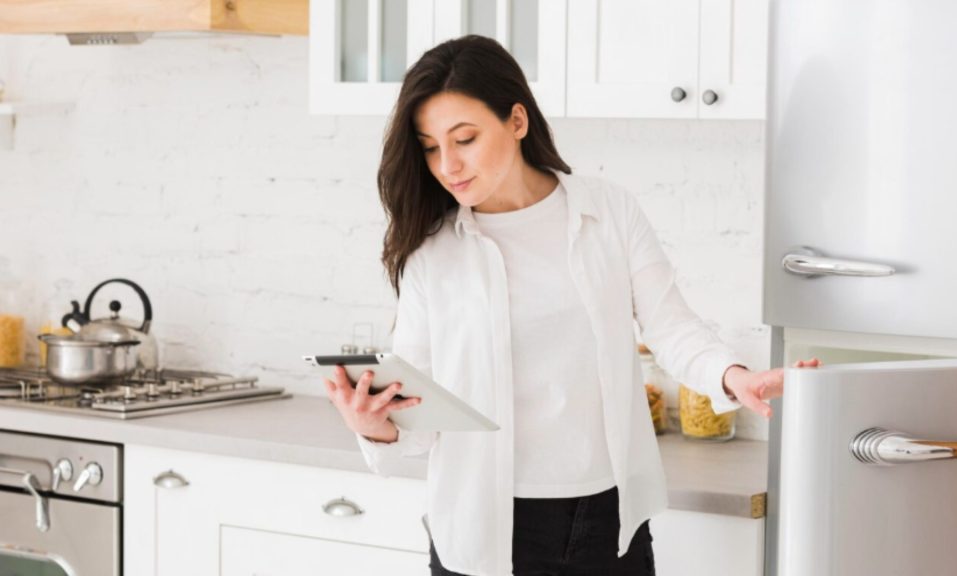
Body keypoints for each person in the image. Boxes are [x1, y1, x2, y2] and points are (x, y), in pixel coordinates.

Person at [322, 35, 819, 576]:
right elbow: (420, 408)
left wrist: (733, 377)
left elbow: (671, 327)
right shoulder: (432, 250)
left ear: (517, 121)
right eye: (430, 146)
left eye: (465, 138)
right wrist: (374, 425)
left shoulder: (608, 212)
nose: (448, 164)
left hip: (608, 521)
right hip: (485, 528)